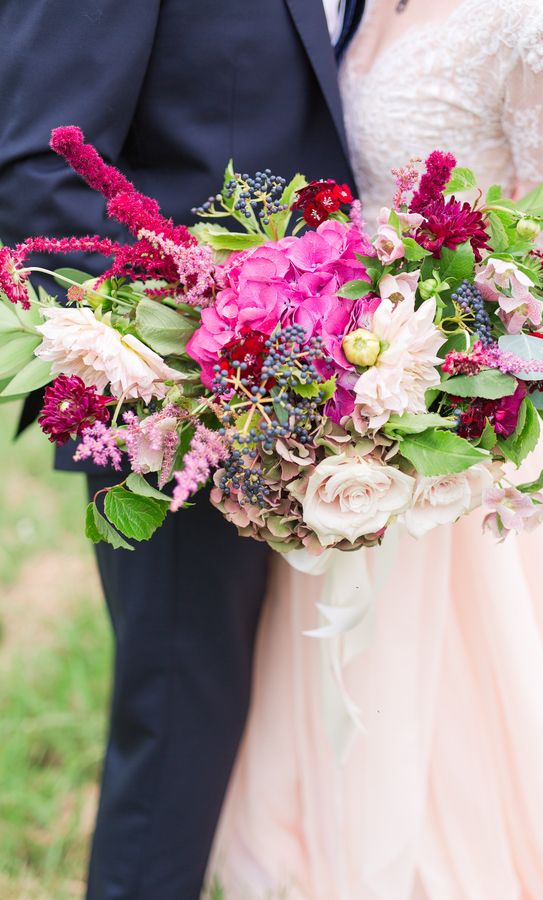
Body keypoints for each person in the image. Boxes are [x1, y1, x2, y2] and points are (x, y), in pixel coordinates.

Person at [210, 1, 543, 897]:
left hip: (462, 429)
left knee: (467, 711)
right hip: (346, 386)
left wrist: (456, 387)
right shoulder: (367, 4)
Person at [0, 2, 365, 898]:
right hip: (183, 421)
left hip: (361, 401)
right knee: (177, 736)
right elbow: (41, 164)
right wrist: (188, 377)